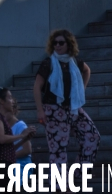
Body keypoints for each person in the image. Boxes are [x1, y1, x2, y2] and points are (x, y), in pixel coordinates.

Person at [33, 29, 100, 184]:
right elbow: (37, 87)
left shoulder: (74, 61)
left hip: (73, 107)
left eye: (61, 42)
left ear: (69, 44)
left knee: (92, 136)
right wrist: (39, 110)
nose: (57, 46)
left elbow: (87, 70)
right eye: (55, 43)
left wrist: (81, 90)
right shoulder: (48, 63)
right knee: (58, 149)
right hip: (53, 109)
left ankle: (76, 175)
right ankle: (58, 186)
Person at [0, 87, 36, 166]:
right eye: (9, 97)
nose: (12, 101)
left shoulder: (0, 118)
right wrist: (21, 135)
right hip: (0, 166)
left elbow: (7, 150)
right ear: (1, 101)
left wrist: (24, 139)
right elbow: (1, 139)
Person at [5, 101, 33, 185]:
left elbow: (27, 150)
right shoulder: (2, 127)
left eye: (6, 111)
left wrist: (7, 156)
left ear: (13, 110)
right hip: (8, 162)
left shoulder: (20, 125)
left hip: (22, 163)